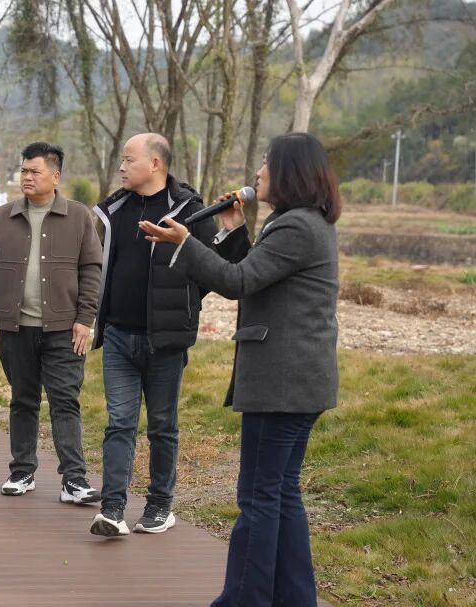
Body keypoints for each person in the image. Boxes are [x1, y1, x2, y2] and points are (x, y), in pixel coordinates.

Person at [139, 132, 341, 606]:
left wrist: (186, 242)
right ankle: (295, 599)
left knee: (258, 496)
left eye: (267, 163)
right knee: (280, 493)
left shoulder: (296, 227)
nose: (258, 172)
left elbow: (238, 281)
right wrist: (233, 230)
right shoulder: (302, 223)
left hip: (283, 383)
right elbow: (258, 273)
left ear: (290, 173)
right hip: (298, 381)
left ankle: (244, 600)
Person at [86, 133, 223, 537]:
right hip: (117, 335)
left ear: (156, 164)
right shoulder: (114, 209)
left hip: (166, 340)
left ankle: (160, 505)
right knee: (119, 423)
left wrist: (182, 304)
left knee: (162, 425)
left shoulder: (190, 211)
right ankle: (112, 510)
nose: (122, 167)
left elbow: (213, 268)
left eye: (129, 160)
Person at [0, 142, 102, 504]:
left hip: (64, 329)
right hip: (16, 327)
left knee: (65, 402)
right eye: (23, 171)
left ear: (55, 176)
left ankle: (74, 480)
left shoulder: (78, 216)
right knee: (23, 400)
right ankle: (22, 471)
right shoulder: (4, 217)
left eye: (35, 172)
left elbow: (92, 270)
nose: (26, 177)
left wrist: (85, 319)